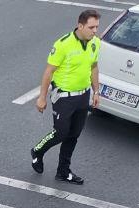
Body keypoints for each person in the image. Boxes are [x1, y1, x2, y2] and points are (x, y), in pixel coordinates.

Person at [30, 9, 101, 185]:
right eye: (91, 27)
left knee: (74, 134)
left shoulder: (95, 43)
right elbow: (49, 71)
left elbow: (93, 67)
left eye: (96, 27)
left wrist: (96, 91)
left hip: (83, 96)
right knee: (61, 133)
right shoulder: (63, 44)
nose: (95, 31)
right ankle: (38, 151)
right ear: (80, 25)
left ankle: (63, 171)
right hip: (64, 97)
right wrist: (42, 97)